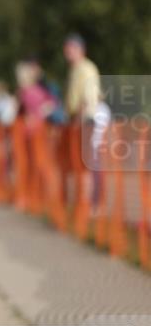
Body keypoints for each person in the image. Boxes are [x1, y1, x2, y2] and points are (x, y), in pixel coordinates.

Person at [63, 33, 105, 211]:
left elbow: (88, 98)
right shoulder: (75, 68)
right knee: (82, 162)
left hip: (86, 119)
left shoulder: (86, 69)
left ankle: (93, 203)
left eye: (71, 48)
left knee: (89, 162)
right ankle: (85, 201)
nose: (67, 52)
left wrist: (79, 118)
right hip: (78, 119)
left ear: (81, 49)